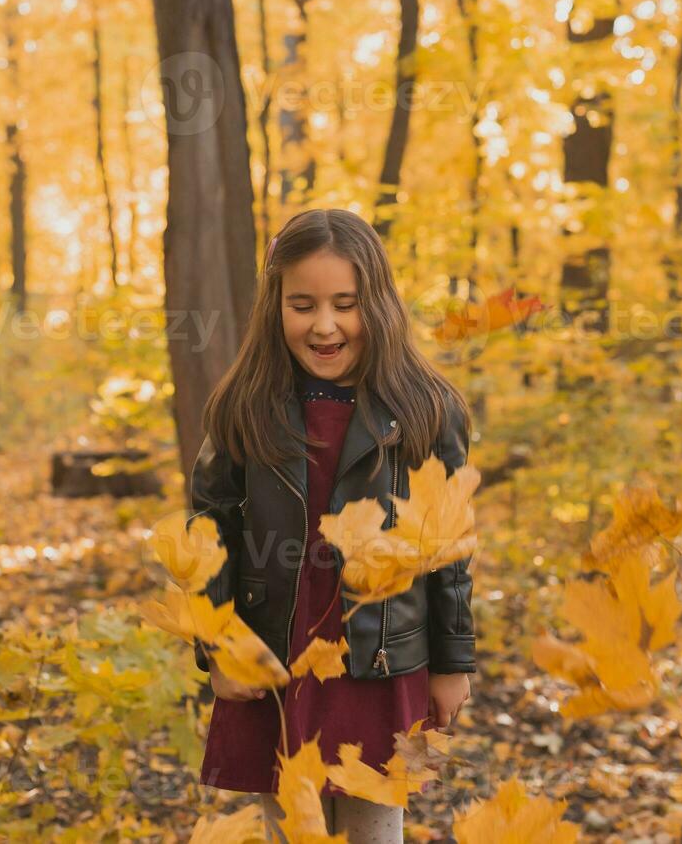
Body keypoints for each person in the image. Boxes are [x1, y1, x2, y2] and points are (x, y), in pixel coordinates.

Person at [188, 208, 476, 843]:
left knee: (374, 830)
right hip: (276, 657)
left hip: (379, 660)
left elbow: (449, 549)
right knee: (292, 830)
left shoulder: (426, 409)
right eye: (303, 304)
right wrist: (216, 647)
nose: (325, 325)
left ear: (378, 302)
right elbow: (206, 531)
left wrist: (452, 662)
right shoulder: (246, 406)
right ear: (275, 307)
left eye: (346, 304)